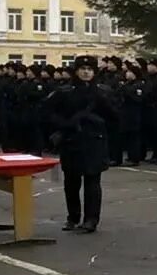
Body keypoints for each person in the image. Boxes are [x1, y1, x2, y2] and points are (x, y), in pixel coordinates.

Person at [46, 56, 117, 234]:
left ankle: (91, 219)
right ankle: (73, 217)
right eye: (83, 68)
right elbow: (47, 113)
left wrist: (98, 118)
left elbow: (115, 116)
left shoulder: (103, 92)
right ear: (76, 71)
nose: (86, 72)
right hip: (72, 141)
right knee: (71, 181)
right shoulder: (64, 91)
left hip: (94, 141)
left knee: (93, 181)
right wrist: (66, 125)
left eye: (90, 69)